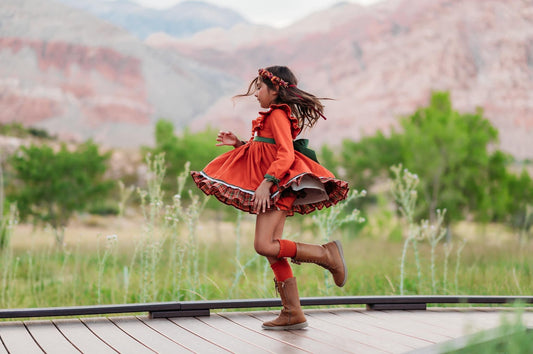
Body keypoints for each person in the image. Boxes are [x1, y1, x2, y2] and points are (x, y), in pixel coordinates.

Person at [191, 66, 349, 330]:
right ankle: (292, 312)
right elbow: (264, 151)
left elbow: (285, 154)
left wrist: (268, 182)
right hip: (277, 186)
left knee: (264, 245)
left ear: (275, 90)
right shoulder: (271, 115)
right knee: (273, 251)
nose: (256, 94)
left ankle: (326, 255)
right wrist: (240, 143)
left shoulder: (277, 114)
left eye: (261, 88)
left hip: (278, 187)